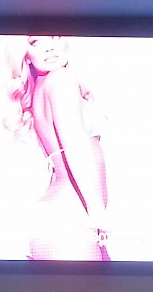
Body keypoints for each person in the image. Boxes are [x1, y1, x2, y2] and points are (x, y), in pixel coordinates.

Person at [6, 35, 111, 261]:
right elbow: (74, 145)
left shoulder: (42, 89)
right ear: (26, 55)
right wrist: (98, 215)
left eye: (54, 36)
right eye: (36, 42)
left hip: (60, 220)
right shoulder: (60, 79)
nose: (49, 47)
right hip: (71, 221)